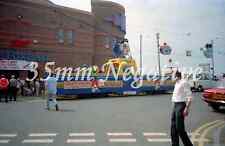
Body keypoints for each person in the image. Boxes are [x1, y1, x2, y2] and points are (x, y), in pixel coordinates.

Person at [171, 71, 194, 146]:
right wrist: (174, 106)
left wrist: (187, 108)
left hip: (181, 105)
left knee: (180, 128)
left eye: (173, 76)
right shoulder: (176, 83)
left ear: (177, 76)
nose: (172, 78)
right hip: (175, 105)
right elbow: (176, 96)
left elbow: (189, 96)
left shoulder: (184, 83)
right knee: (173, 128)